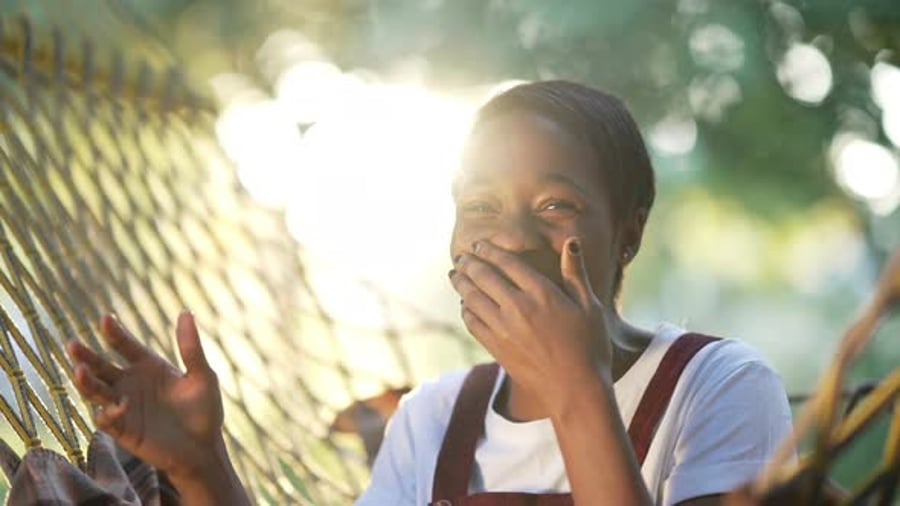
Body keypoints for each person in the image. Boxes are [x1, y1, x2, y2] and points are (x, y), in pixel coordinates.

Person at [68, 80, 793, 506]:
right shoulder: (435, 419)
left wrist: (575, 386)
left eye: (553, 207)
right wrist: (200, 468)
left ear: (628, 236)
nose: (506, 238)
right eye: (480, 207)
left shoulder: (717, 386)